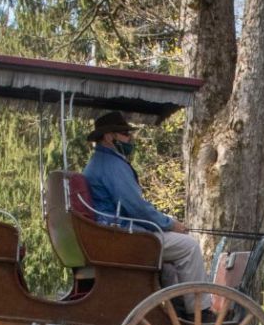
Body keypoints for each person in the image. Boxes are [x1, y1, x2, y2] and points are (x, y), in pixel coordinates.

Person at [82, 112, 206, 301]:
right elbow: (136, 207)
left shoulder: (99, 163)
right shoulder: (112, 165)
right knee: (189, 246)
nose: (130, 138)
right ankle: (199, 310)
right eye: (125, 133)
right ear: (109, 137)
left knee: (172, 260)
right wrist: (170, 224)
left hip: (112, 231)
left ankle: (176, 305)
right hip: (121, 235)